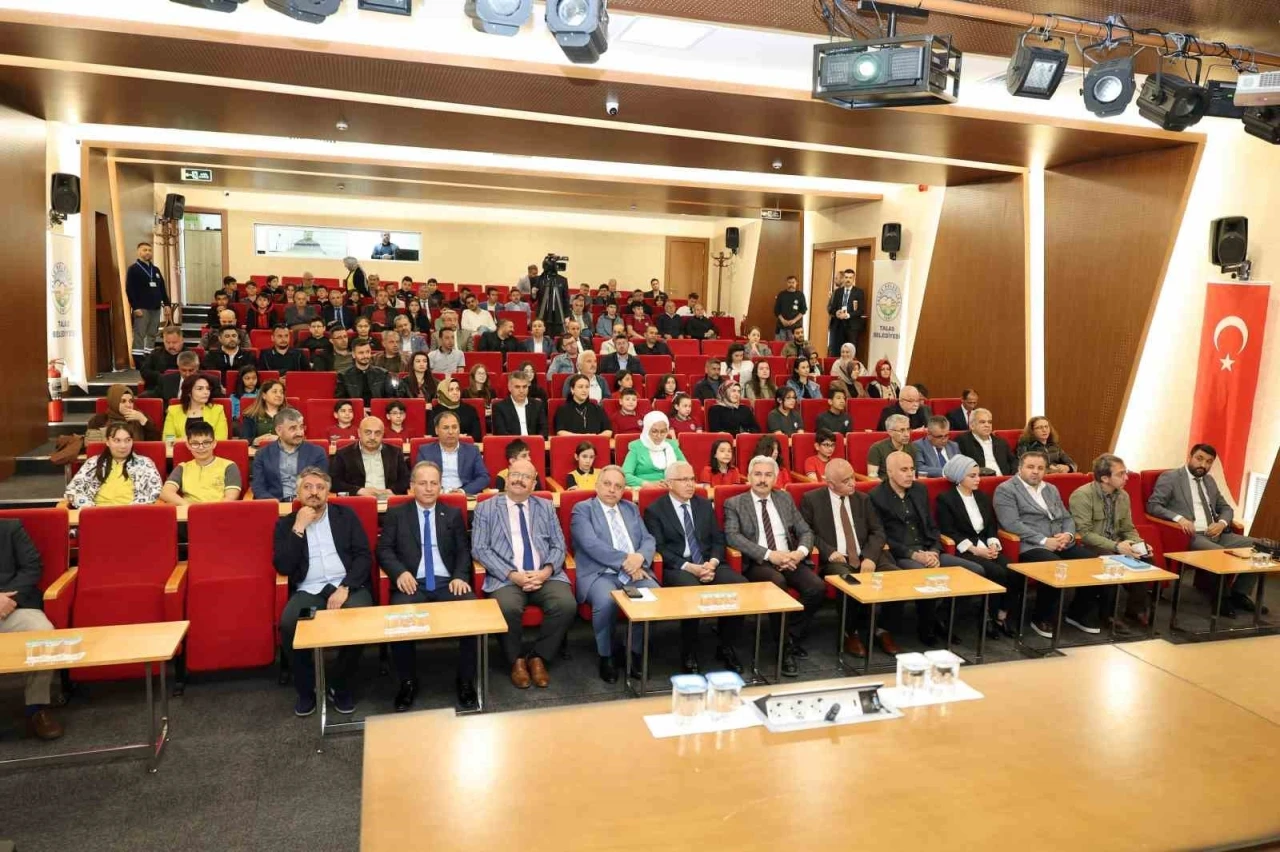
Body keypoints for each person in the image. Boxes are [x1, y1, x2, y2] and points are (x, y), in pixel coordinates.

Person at [375, 461, 478, 711]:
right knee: (400, 618)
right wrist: (399, 573)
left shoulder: (452, 514)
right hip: (413, 583)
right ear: (412, 486)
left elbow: (463, 551)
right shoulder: (397, 514)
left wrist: (460, 576)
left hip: (447, 582)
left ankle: (465, 680)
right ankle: (407, 681)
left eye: (434, 483)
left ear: (441, 486)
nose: (429, 488)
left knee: (472, 613)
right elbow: (384, 549)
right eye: (423, 483)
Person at [274, 467, 372, 717]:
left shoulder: (345, 516)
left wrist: (346, 587)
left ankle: (340, 684)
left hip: (346, 585)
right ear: (298, 492)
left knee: (361, 618)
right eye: (307, 487)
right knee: (289, 624)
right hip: (309, 589)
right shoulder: (286, 523)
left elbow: (363, 555)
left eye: (320, 488)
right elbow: (284, 566)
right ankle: (307, 689)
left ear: (328, 492)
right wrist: (299, 528)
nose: (314, 492)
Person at [472, 459, 574, 689]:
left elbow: (559, 545)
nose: (519, 480)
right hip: (506, 577)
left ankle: (539, 657)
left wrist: (546, 571)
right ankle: (516, 660)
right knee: (507, 607)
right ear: (506, 478)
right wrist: (511, 574)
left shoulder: (545, 506)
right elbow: (479, 548)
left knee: (566, 604)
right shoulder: (486, 508)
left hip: (544, 574)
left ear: (534, 484)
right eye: (515, 474)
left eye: (526, 476)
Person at [638, 461, 746, 675]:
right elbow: (660, 548)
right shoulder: (655, 510)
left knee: (740, 587)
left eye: (692, 479)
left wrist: (712, 563)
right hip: (678, 566)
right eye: (683, 480)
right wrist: (691, 567)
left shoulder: (704, 505)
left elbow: (718, 539)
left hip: (708, 562)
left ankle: (726, 646)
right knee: (692, 592)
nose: (690, 484)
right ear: (669, 483)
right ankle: (689, 652)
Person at [868, 452, 987, 646]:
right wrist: (914, 555)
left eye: (912, 469)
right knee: (926, 575)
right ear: (889, 472)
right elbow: (881, 535)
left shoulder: (919, 490)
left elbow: (931, 525)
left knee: (975, 571)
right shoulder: (876, 496)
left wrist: (934, 549)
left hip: (928, 549)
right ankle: (926, 628)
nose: (910, 474)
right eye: (904, 470)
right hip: (900, 554)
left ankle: (942, 617)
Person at [994, 450, 1111, 638]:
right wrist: (1044, 540)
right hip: (1030, 544)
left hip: (1060, 541)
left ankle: (1078, 612)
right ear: (1020, 468)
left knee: (1093, 562)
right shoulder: (1006, 490)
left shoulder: (1051, 489)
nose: (1035, 471)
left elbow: (1066, 517)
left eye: (1040, 468)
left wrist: (1068, 535)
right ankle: (1041, 617)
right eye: (1030, 467)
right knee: (1053, 565)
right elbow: (1011, 524)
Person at [723, 456, 820, 676]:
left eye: (768, 475)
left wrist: (799, 553)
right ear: (748, 477)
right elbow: (733, 537)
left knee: (816, 587)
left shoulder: (784, 498)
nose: (762, 479)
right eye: (757, 474)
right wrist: (769, 555)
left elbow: (805, 530)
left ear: (775, 478)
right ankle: (783, 650)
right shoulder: (735, 503)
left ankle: (789, 634)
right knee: (778, 583)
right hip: (758, 562)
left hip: (789, 557)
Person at [800, 458, 903, 656]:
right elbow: (807, 532)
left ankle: (883, 630)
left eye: (853, 478)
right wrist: (829, 551)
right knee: (848, 583)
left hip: (866, 554)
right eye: (846, 481)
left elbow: (878, 531)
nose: (852, 484)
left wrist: (870, 557)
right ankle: (850, 633)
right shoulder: (812, 499)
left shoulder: (863, 499)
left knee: (896, 578)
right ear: (830, 484)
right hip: (838, 558)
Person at [1146, 444, 1261, 616]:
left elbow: (1226, 508)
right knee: (1219, 553)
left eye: (1208, 462)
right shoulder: (1171, 477)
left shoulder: (1209, 481)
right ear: (1190, 457)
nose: (1203, 465)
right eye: (1199, 459)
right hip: (1190, 535)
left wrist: (1221, 523)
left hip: (1217, 533)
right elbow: (1153, 506)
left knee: (1259, 547)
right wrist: (1179, 519)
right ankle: (1222, 599)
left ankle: (1239, 593)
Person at [570, 466, 660, 682]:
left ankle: (634, 651)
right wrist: (627, 562)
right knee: (606, 601)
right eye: (607, 484)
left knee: (653, 596)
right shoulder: (582, 509)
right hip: (600, 573)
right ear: (597, 485)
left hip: (636, 572)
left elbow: (648, 539)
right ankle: (607, 655)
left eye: (618, 486)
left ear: (623, 490)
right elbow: (591, 544)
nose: (612, 490)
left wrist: (639, 557)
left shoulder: (630, 508)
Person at [935, 455, 1017, 638]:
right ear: (959, 477)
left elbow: (990, 526)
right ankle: (987, 618)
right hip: (963, 549)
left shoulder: (982, 496)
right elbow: (949, 531)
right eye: (972, 476)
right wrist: (975, 550)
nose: (978, 479)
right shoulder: (946, 499)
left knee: (1012, 570)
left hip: (984, 545)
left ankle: (1000, 615)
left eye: (978, 475)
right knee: (996, 572)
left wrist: (993, 544)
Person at [1069, 453, 1154, 627]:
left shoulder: (1123, 496)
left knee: (1145, 557)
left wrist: (1138, 543)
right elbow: (1084, 533)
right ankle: (1107, 614)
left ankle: (1135, 610)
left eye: (1125, 472)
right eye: (1121, 474)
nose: (1126, 477)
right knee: (1111, 559)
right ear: (1105, 478)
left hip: (1116, 543)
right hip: (1090, 544)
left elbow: (1127, 528)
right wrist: (1116, 546)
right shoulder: (1082, 495)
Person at [0, 518, 65, 740]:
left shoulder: (10, 528)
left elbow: (32, 567)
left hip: (12, 606)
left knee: (43, 632)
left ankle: (37, 708)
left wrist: (8, 600)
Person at [64, 423, 163, 507]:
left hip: (132, 515)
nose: (123, 446)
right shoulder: (93, 463)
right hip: (97, 514)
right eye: (117, 440)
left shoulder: (145, 463)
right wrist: (92, 510)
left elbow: (155, 492)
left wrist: (131, 511)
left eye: (128, 440)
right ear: (107, 442)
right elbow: (73, 491)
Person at [250, 408, 328, 501]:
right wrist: (273, 504)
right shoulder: (262, 454)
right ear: (279, 430)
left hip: (307, 503)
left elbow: (321, 484)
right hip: (275, 503)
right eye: (293, 428)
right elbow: (258, 486)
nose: (300, 433)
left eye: (301, 427)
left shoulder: (317, 452)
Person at [157, 420, 242, 505]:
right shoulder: (182, 468)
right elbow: (165, 492)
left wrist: (209, 511)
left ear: (214, 443)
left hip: (219, 510)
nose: (201, 447)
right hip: (188, 510)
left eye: (206, 442)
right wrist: (190, 507)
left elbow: (231, 497)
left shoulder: (229, 466)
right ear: (188, 445)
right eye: (195, 443)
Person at [331, 417, 409, 498]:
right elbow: (335, 482)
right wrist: (359, 491)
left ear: (383, 434)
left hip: (388, 499)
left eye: (377, 433)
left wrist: (391, 491)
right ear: (359, 433)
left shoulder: (395, 453)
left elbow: (405, 480)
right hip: (358, 500)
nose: (372, 437)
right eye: (368, 432)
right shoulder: (343, 454)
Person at [415, 410, 488, 495]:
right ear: (436, 430)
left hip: (464, 495)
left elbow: (484, 477)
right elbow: (419, 478)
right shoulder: (425, 451)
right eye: (446, 428)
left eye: (454, 427)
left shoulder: (472, 451)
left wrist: (462, 491)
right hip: (436, 496)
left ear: (459, 429)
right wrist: (439, 492)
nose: (451, 432)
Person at [126, 241, 171, 351]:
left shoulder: (155, 270)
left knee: (152, 333)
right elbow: (129, 289)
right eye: (145, 250)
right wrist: (135, 307)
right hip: (142, 307)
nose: (148, 252)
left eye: (150, 250)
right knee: (140, 334)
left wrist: (167, 304)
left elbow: (162, 288)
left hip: (155, 307)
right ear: (138, 252)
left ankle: (149, 355)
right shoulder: (133, 269)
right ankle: (138, 357)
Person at [621, 411, 686, 486]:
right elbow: (624, 476)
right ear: (647, 430)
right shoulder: (636, 447)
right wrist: (648, 484)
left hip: (671, 487)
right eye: (654, 431)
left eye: (663, 432)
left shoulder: (672, 445)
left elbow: (686, 470)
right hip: (646, 488)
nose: (659, 436)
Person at [85, 384, 161, 443]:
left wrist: (143, 421)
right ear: (114, 402)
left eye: (131, 401)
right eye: (123, 401)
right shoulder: (99, 420)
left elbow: (155, 443)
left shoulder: (140, 417)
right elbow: (91, 446)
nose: (128, 405)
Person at [163, 375, 228, 442]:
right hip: (181, 448)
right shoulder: (173, 411)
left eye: (208, 388)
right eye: (200, 389)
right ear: (189, 392)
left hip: (209, 448)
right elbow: (167, 439)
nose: (206, 392)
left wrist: (191, 441)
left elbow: (221, 438)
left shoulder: (217, 410)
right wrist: (192, 440)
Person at [334, 339, 398, 405]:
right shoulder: (343, 376)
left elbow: (391, 399)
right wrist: (359, 409)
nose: (365, 356)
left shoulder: (383, 374)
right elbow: (340, 402)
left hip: (378, 410)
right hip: (354, 410)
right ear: (353, 354)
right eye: (361, 353)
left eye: (367, 352)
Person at [954, 409, 1015, 476]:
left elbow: (1014, 462)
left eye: (989, 422)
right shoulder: (963, 441)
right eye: (982, 422)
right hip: (980, 479)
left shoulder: (1001, 442)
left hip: (1004, 479)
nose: (987, 425)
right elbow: (960, 466)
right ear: (972, 425)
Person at [151, 351, 224, 406]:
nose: (187, 374)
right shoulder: (166, 380)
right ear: (178, 367)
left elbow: (216, 404)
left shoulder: (212, 381)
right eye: (183, 370)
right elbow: (158, 402)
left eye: (191, 370)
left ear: (197, 367)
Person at [492, 371, 548, 437]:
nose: (521, 391)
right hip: (511, 443)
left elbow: (544, 431)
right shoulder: (499, 408)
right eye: (517, 387)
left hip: (534, 442)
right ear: (509, 388)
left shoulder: (538, 405)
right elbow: (501, 434)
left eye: (524, 387)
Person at [866, 414, 920, 481]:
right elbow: (872, 477)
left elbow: (912, 476)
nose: (907, 434)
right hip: (885, 485)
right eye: (901, 430)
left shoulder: (912, 448)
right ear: (890, 432)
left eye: (908, 429)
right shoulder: (877, 448)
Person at [826, 267, 865, 356]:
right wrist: (836, 313)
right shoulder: (837, 292)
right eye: (846, 277)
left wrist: (848, 315)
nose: (848, 280)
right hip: (838, 326)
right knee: (836, 352)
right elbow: (831, 309)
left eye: (850, 278)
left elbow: (861, 310)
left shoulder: (859, 292)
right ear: (843, 278)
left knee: (850, 352)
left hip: (852, 327)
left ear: (853, 279)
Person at [431, 378, 483, 444]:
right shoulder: (435, 411)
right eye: (451, 390)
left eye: (457, 389)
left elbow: (477, 436)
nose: (455, 393)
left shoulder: (470, 410)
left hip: (466, 445)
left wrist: (464, 438)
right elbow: (433, 436)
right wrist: (457, 437)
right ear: (443, 392)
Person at [238, 379, 286, 445]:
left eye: (281, 392)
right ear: (264, 395)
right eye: (274, 392)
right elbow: (243, 440)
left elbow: (297, 438)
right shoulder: (251, 415)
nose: (279, 395)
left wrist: (279, 439)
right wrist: (255, 440)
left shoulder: (290, 414)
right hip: (258, 450)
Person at [138, 326, 186, 390]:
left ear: (182, 341)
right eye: (167, 342)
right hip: (157, 388)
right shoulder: (155, 354)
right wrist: (160, 377)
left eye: (174, 342)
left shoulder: (190, 355)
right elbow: (144, 371)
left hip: (183, 388)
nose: (171, 345)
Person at [773, 274, 807, 341]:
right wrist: (783, 320)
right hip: (781, 327)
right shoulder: (781, 294)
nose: (791, 284)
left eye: (793, 282)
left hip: (795, 329)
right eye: (789, 282)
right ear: (787, 283)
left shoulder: (800, 295)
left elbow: (803, 310)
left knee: (793, 346)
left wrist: (794, 321)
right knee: (779, 346)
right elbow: (776, 310)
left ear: (796, 283)